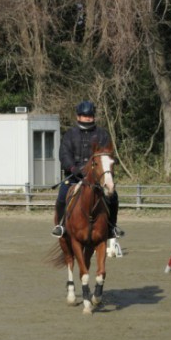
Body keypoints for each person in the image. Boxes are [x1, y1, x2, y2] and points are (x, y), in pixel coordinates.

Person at [51, 100, 120, 238]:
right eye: (84, 115)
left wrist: (111, 161)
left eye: (90, 115)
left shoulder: (102, 134)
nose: (87, 118)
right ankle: (60, 225)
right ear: (78, 116)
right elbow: (64, 155)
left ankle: (112, 227)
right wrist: (72, 167)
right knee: (61, 196)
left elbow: (107, 153)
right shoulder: (69, 134)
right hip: (74, 177)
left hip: (95, 179)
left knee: (114, 197)